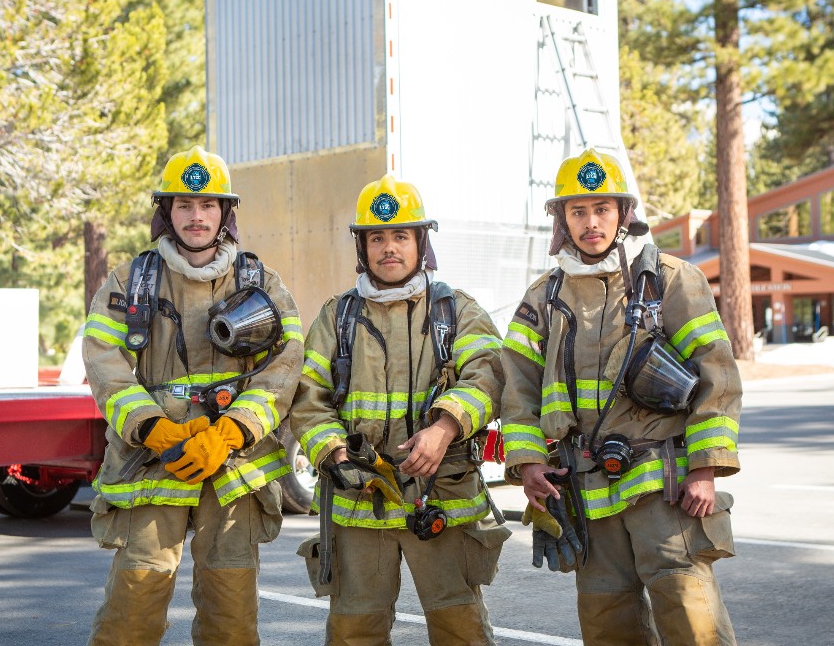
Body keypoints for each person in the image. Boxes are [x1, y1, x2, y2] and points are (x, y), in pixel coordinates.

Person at [500, 148, 742, 646]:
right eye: (579, 211)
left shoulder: (671, 280)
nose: (592, 222)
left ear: (623, 215)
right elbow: (517, 388)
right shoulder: (543, 297)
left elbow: (716, 374)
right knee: (608, 618)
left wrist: (705, 468)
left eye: (603, 209)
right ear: (562, 220)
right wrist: (528, 464)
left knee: (689, 612)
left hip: (664, 484)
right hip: (585, 486)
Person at [82, 145, 304, 646]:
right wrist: (153, 428)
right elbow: (105, 364)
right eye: (184, 205)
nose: (197, 216)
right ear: (167, 212)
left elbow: (285, 367)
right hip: (153, 460)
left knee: (231, 612)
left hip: (232, 465)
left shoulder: (261, 282)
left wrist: (231, 431)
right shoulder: (128, 282)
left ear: (226, 212)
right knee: (132, 606)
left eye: (208, 205)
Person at [289, 175, 510, 645]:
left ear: (420, 242)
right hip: (359, 501)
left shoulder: (457, 311)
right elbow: (308, 401)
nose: (389, 248)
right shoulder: (337, 317)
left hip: (441, 497)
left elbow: (489, 376)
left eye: (401, 236)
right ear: (363, 245)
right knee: (354, 632)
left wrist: (446, 427)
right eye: (377, 237)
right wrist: (334, 451)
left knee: (460, 630)